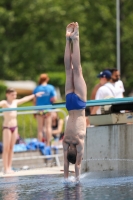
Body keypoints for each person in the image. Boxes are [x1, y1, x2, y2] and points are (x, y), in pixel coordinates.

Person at [63, 22, 87, 182]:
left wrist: (76, 178)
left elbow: (77, 166)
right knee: (68, 70)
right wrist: (66, 176)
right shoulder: (65, 141)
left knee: (77, 69)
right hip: (69, 105)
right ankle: (67, 41)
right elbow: (66, 166)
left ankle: (76, 38)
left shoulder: (80, 141)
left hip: (78, 106)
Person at [0, 88, 43, 174]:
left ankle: (9, 167)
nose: (14, 96)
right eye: (12, 95)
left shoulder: (15, 102)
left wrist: (34, 95)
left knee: (11, 148)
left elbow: (24, 99)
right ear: (7, 95)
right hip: (7, 127)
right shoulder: (5, 103)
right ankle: (5, 168)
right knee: (6, 148)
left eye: (15, 95)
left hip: (14, 127)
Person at [33, 74, 56, 148]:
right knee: (48, 127)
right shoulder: (51, 87)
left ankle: (39, 144)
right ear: (47, 79)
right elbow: (54, 99)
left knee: (40, 128)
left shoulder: (37, 88)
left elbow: (34, 101)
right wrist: (54, 110)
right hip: (48, 109)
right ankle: (48, 144)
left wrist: (34, 110)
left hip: (39, 109)